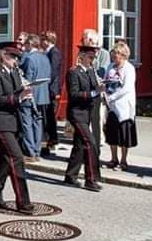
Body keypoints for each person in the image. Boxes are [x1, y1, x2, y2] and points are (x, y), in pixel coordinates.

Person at [0, 42, 34, 213]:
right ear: (4, 55)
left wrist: (25, 93)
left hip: (14, 121)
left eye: (17, 57)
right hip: (1, 122)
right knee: (17, 158)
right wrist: (17, 97)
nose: (15, 60)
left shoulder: (14, 72)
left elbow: (16, 92)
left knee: (5, 161)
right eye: (13, 57)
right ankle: (23, 202)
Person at [64, 44, 103, 191]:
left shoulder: (91, 71)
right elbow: (73, 94)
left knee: (79, 145)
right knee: (90, 143)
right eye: (90, 57)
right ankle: (90, 179)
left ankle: (70, 175)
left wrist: (102, 87)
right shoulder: (74, 72)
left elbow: (94, 87)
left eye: (94, 58)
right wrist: (93, 93)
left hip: (87, 112)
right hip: (77, 113)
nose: (92, 60)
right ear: (82, 57)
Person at [103, 41, 137, 170]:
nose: (114, 56)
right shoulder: (110, 67)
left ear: (123, 55)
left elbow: (127, 88)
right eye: (114, 53)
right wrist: (105, 93)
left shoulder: (129, 68)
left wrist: (112, 97)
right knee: (112, 133)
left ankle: (123, 161)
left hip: (124, 106)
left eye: (117, 53)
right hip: (111, 105)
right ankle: (113, 158)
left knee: (123, 134)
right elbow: (106, 80)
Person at [19, 34, 51, 161]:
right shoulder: (45, 58)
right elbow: (49, 75)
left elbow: (28, 79)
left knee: (27, 123)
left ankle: (30, 151)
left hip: (31, 94)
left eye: (25, 44)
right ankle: (37, 150)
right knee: (38, 123)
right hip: (43, 95)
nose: (24, 47)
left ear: (30, 44)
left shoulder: (29, 59)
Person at [42, 31, 64, 153]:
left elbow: (53, 71)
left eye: (43, 39)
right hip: (49, 88)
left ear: (48, 40)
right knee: (48, 115)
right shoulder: (48, 52)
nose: (42, 42)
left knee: (50, 116)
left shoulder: (54, 52)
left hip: (52, 88)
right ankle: (51, 139)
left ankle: (52, 140)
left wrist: (45, 81)